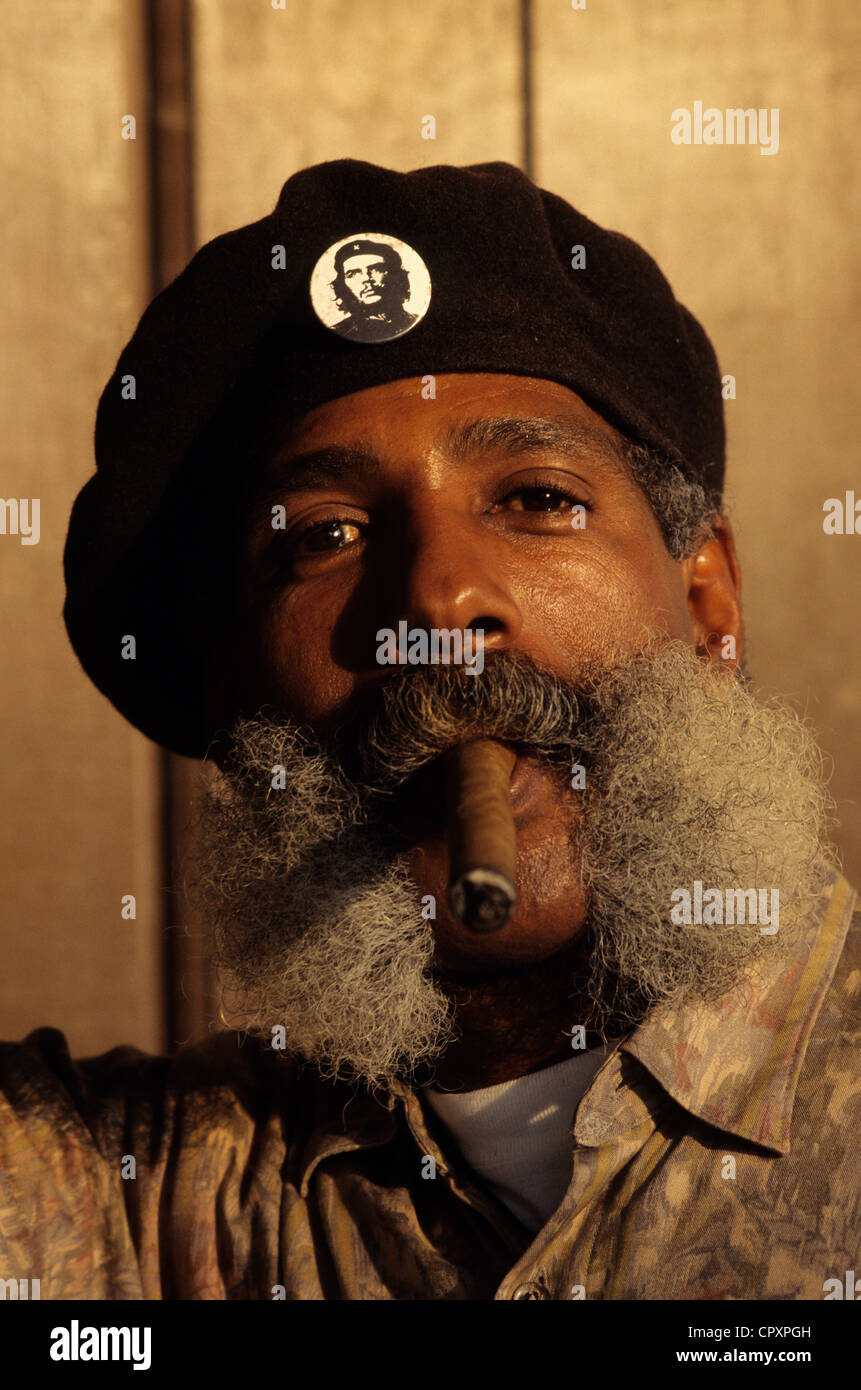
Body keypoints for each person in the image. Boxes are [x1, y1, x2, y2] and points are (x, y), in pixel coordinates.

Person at [1, 159, 857, 1301]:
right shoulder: (126, 1210)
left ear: (708, 605)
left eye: (539, 498)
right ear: (233, 698)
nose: (439, 602)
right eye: (325, 535)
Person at [329, 237, 417, 340]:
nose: (366, 279)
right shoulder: (337, 333)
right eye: (352, 274)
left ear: (395, 276)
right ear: (342, 285)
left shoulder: (416, 323)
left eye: (376, 269)